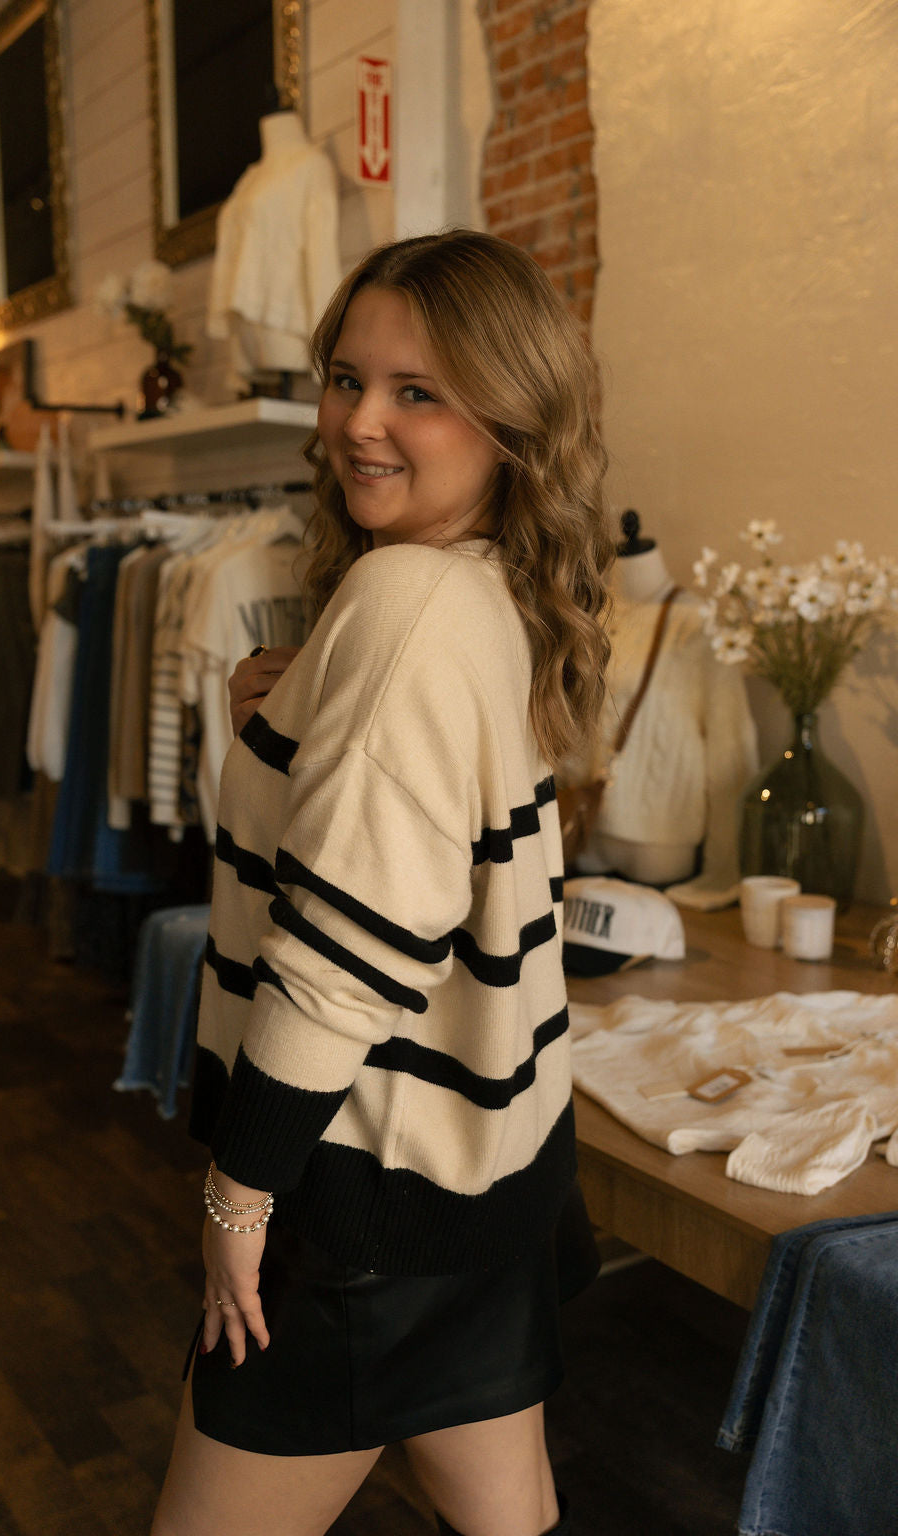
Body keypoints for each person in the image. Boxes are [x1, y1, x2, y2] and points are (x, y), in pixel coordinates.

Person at [151, 229, 614, 1536]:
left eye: (419, 391)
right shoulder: (489, 586)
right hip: (488, 1164)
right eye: (348, 379)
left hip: (365, 1183)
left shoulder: (404, 601)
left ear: (511, 416)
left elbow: (347, 956)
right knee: (507, 1516)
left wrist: (239, 1194)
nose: (361, 421)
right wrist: (286, 735)